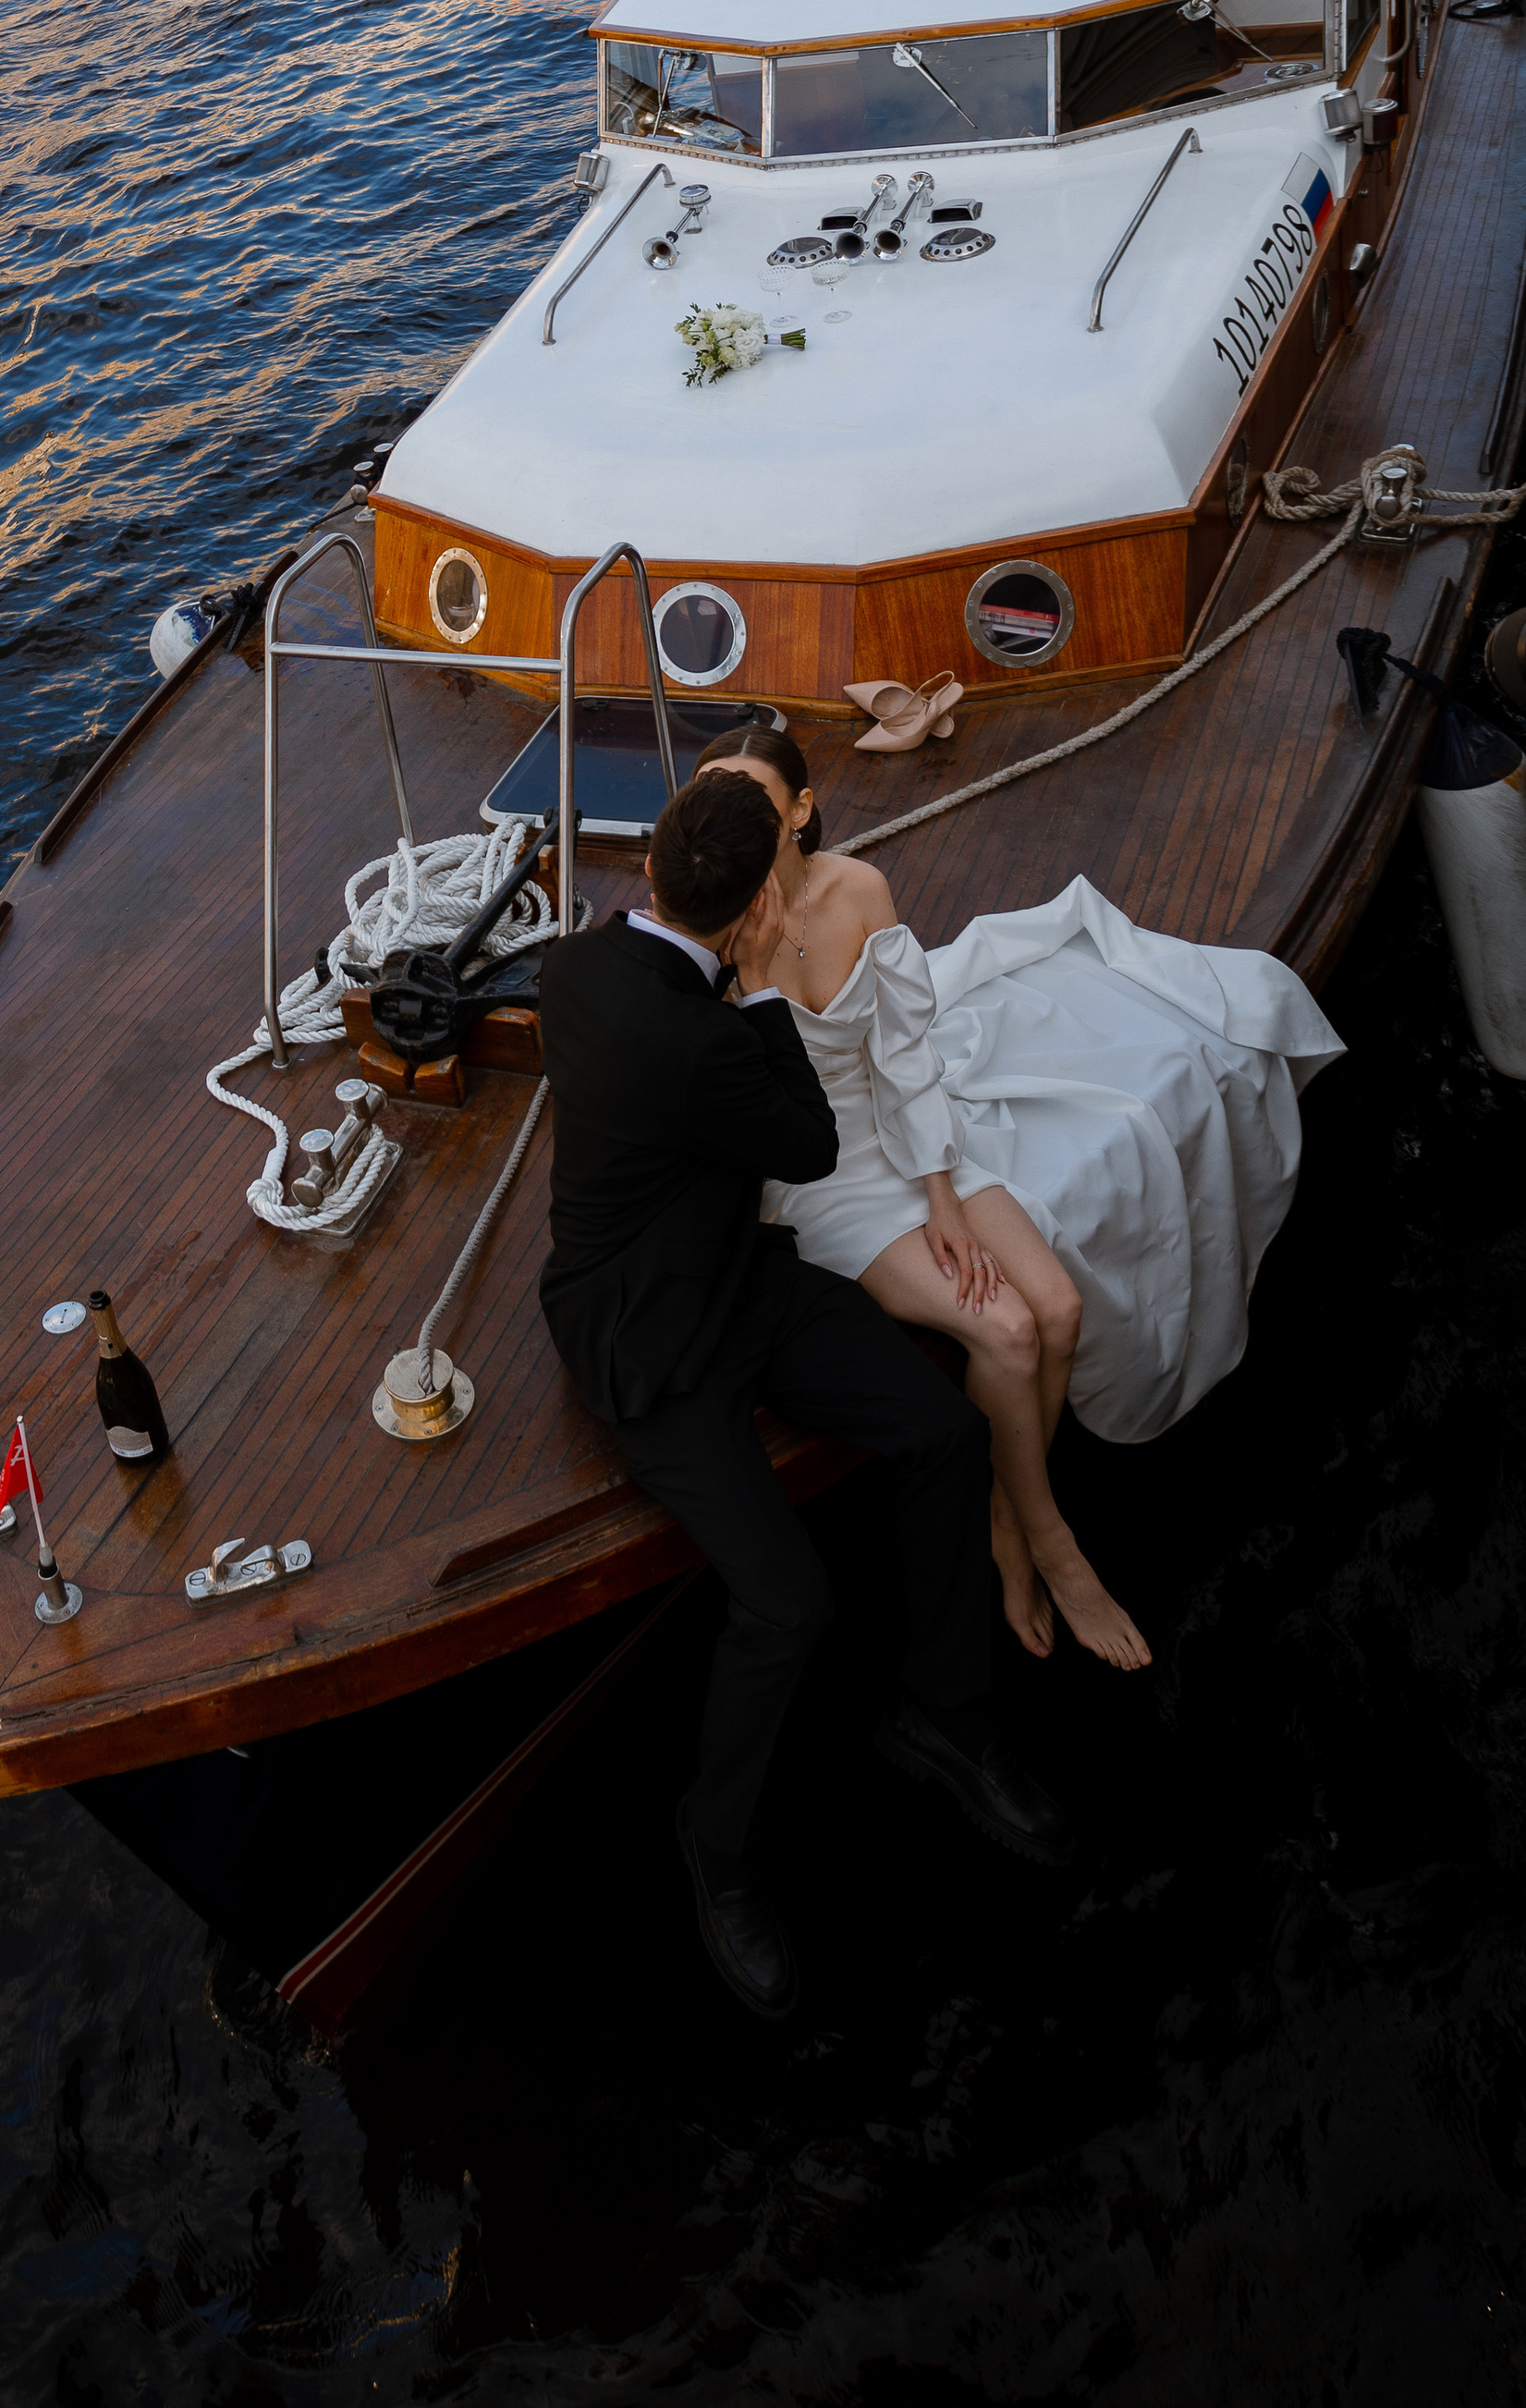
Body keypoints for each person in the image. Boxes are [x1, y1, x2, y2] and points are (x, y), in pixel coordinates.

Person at [537, 769, 1068, 2021]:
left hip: (737, 1274)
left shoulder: (577, 970)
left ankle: (944, 1711)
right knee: (788, 1603)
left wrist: (733, 964)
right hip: (653, 1341)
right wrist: (764, 981)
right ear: (756, 903)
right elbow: (811, 1145)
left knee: (939, 1436)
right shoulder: (713, 1035)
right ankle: (716, 1852)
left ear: (649, 873)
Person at [696, 725, 1343, 1670]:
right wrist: (750, 976)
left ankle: (1010, 1505)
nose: (735, 821)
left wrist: (944, 1193)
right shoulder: (715, 935)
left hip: (907, 1133)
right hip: (817, 1175)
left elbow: (909, 1055)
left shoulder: (858, 891)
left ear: (798, 811)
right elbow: (754, 1110)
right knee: (1002, 1328)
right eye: (716, 797)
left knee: (1059, 1306)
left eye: (754, 799)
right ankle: (1047, 1548)